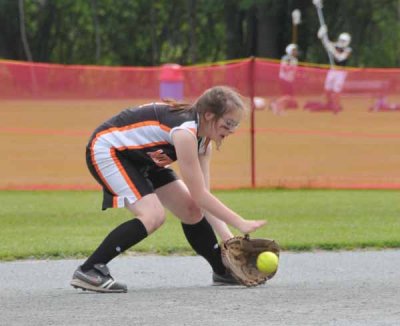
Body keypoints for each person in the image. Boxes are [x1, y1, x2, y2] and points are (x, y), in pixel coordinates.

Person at [70, 86, 266, 293]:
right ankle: (90, 269)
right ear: (209, 115)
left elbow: (202, 200)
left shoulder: (203, 143)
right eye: (228, 123)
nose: (232, 131)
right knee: (153, 215)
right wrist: (240, 222)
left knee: (191, 209)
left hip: (140, 157)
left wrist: (228, 239)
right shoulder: (185, 133)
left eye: (235, 125)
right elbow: (201, 195)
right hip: (109, 150)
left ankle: (222, 270)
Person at [317, 24, 352, 113]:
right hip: (332, 70)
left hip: (341, 72)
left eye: (343, 40)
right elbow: (326, 43)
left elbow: (340, 58)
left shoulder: (348, 50)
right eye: (340, 40)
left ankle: (336, 107)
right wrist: (323, 35)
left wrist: (332, 50)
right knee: (327, 89)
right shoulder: (335, 45)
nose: (341, 41)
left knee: (336, 90)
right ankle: (329, 104)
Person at [269, 43, 299, 115]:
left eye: (295, 50)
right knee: (287, 96)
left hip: (289, 80)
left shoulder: (293, 59)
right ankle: (275, 104)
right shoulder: (287, 58)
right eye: (293, 50)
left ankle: (278, 109)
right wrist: (291, 67)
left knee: (287, 96)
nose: (295, 52)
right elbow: (285, 68)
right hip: (285, 80)